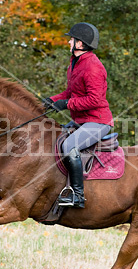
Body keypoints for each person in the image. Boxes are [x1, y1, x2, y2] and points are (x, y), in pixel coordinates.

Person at [43, 22, 114, 208]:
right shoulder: (76, 63)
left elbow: (94, 100)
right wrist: (51, 100)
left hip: (98, 122)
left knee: (69, 146)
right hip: (81, 121)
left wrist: (65, 104)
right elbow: (70, 93)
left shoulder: (93, 67)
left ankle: (78, 195)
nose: (69, 42)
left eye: (72, 39)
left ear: (80, 44)